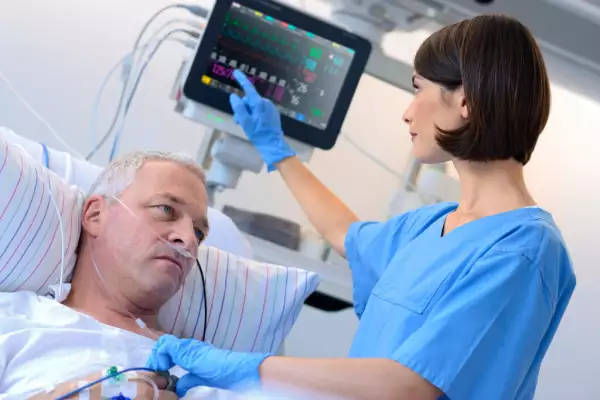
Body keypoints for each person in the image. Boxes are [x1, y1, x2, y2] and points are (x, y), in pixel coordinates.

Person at [146, 14, 577, 400]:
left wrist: (249, 369)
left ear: (466, 101)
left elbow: (410, 386)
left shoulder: (523, 250)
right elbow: (345, 234)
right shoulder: (429, 225)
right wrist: (277, 151)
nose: (408, 113)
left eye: (418, 89)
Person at [0, 151, 212, 399]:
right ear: (95, 215)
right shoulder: (13, 321)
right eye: (166, 209)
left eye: (198, 233)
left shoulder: (203, 367)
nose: (189, 240)